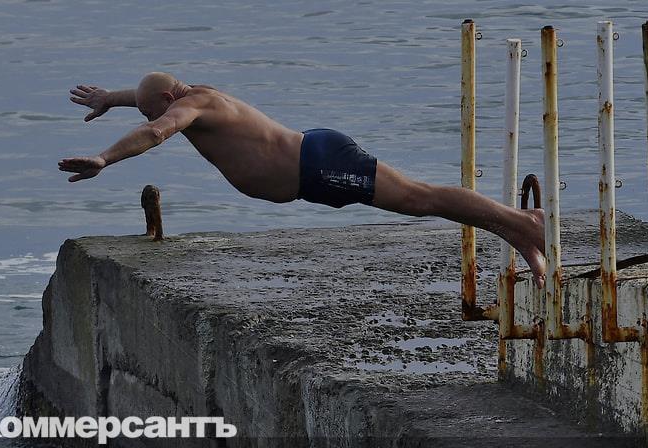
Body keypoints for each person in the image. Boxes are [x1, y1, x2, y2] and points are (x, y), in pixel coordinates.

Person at [58, 72, 545, 288]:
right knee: (422, 200)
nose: (151, 115)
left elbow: (155, 130)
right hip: (314, 161)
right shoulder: (190, 92)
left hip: (318, 165)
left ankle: (526, 225)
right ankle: (520, 230)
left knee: (422, 199)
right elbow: (150, 100)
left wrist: (105, 157)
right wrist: (111, 97)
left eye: (151, 108)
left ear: (169, 100)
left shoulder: (188, 107)